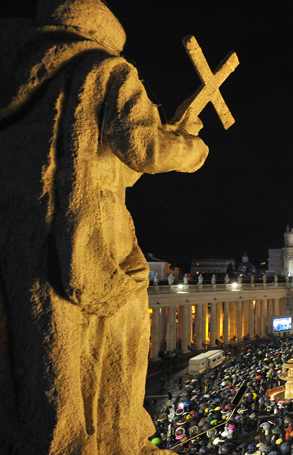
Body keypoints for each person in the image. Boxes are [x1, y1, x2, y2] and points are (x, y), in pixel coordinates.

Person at [0, 1, 209, 454]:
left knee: (41, 358)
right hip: (89, 235)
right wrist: (191, 147)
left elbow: (112, 162)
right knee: (115, 343)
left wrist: (170, 125)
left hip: (20, 236)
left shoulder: (14, 72)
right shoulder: (105, 69)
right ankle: (111, 439)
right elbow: (144, 148)